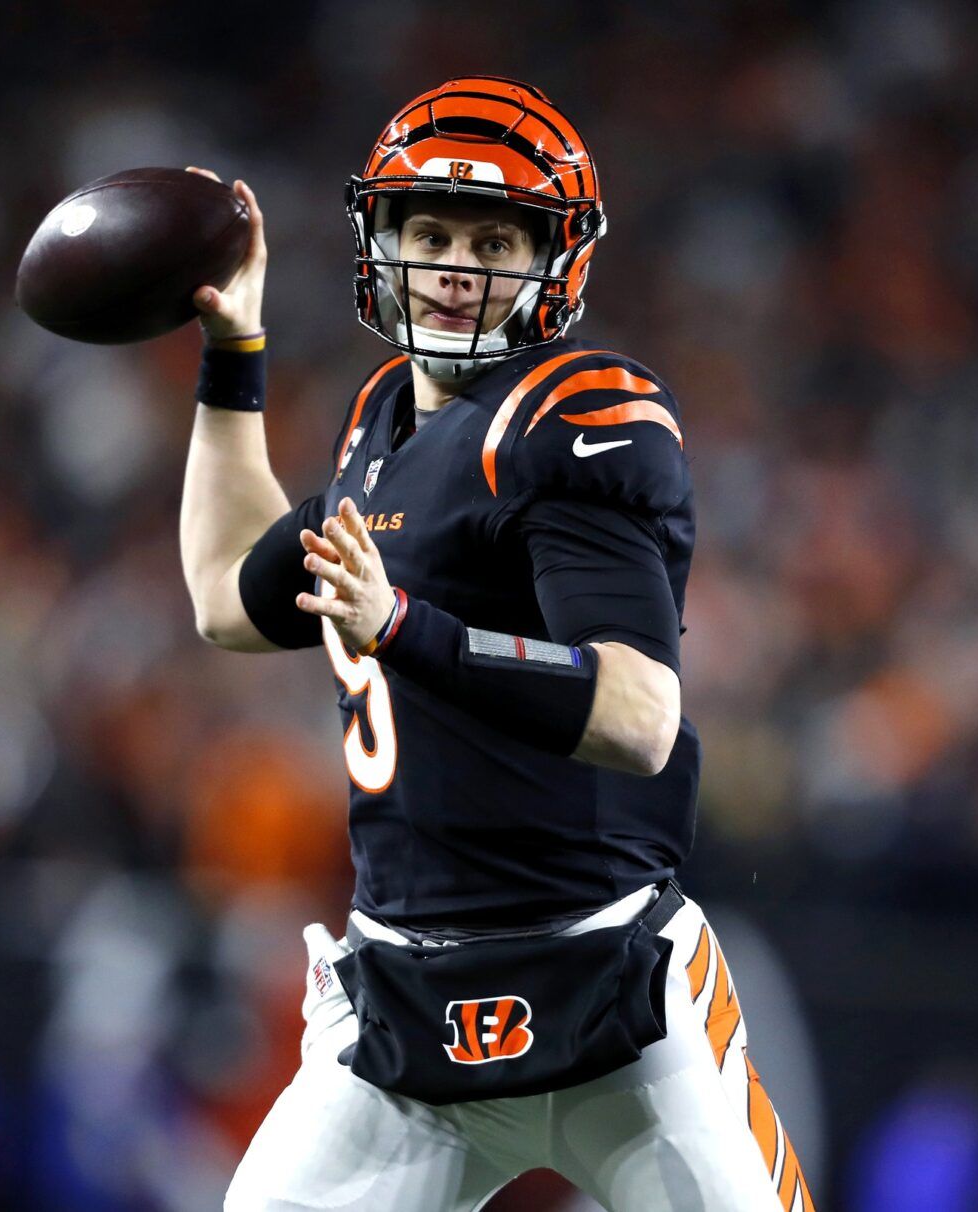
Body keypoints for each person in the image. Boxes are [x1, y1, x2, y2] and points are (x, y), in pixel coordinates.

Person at [179, 77, 815, 1212]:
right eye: (431, 231)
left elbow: (636, 715)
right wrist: (235, 355)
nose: (459, 262)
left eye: (494, 236)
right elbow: (228, 597)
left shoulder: (576, 417)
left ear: (555, 257)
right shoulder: (379, 418)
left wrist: (406, 628)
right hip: (404, 1016)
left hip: (606, 999)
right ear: (384, 244)